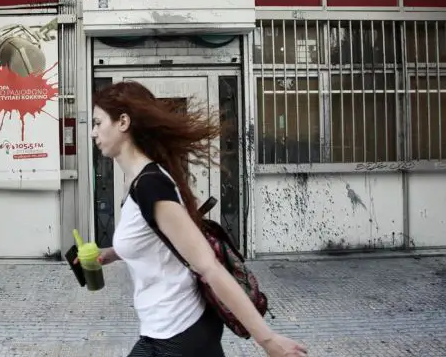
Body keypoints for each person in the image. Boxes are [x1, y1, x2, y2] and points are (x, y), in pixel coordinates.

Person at [90, 81, 308, 357]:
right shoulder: (137, 181)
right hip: (166, 330)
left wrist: (267, 341)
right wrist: (110, 253)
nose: (92, 132)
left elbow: (209, 267)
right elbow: (153, 239)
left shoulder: (150, 186)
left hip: (179, 334)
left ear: (123, 122)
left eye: (98, 123)